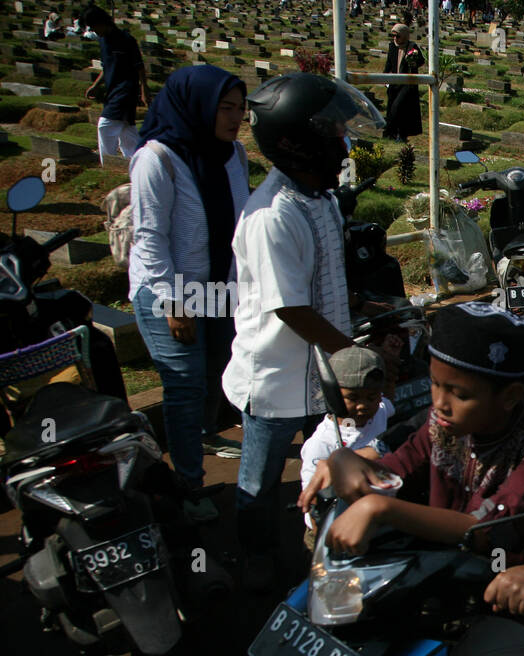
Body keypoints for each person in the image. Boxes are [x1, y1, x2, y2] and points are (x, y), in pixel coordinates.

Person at [300, 304, 524, 656]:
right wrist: (347, 462)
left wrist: (381, 510)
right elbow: (400, 465)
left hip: (522, 599)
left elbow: (485, 529)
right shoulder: (447, 419)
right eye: (434, 384)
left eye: (458, 392)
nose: (439, 402)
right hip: (446, 581)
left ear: (509, 397)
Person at [222, 73, 387, 591]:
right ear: (296, 142)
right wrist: (356, 359)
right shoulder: (273, 215)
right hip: (275, 378)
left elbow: (322, 281)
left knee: (325, 462)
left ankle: (319, 547)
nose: (343, 144)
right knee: (258, 481)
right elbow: (291, 308)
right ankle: (256, 559)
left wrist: (369, 308)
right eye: (333, 134)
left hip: (322, 374)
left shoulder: (318, 199)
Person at [128, 66, 250, 521]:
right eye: (225, 107)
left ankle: (199, 439)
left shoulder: (232, 154)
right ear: (197, 105)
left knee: (217, 369)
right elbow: (150, 238)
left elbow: (239, 220)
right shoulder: (156, 158)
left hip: (218, 285)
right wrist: (174, 303)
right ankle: (188, 484)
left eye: (240, 109)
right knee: (183, 385)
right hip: (169, 291)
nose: (235, 117)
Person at [297, 346, 393, 493]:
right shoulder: (320, 444)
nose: (362, 406)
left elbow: (390, 403)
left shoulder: (381, 410)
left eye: (371, 397)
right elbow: (315, 499)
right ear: (332, 396)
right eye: (352, 398)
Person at [82, 5, 148, 165]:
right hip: (113, 90)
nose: (94, 31)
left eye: (94, 26)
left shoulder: (126, 40)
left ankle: (108, 165)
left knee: (104, 126)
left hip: (126, 90)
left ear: (102, 22)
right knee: (127, 133)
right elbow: (107, 67)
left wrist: (144, 91)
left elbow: (140, 67)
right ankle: (136, 165)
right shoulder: (103, 41)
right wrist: (96, 85)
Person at [383, 24, 424, 140]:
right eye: (393, 36)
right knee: (391, 108)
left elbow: (421, 61)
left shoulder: (412, 46)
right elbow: (389, 64)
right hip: (394, 82)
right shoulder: (392, 46)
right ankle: (391, 133)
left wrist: (413, 60)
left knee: (400, 107)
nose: (395, 38)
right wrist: (384, 77)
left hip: (407, 83)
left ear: (404, 36)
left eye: (398, 36)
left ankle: (402, 134)